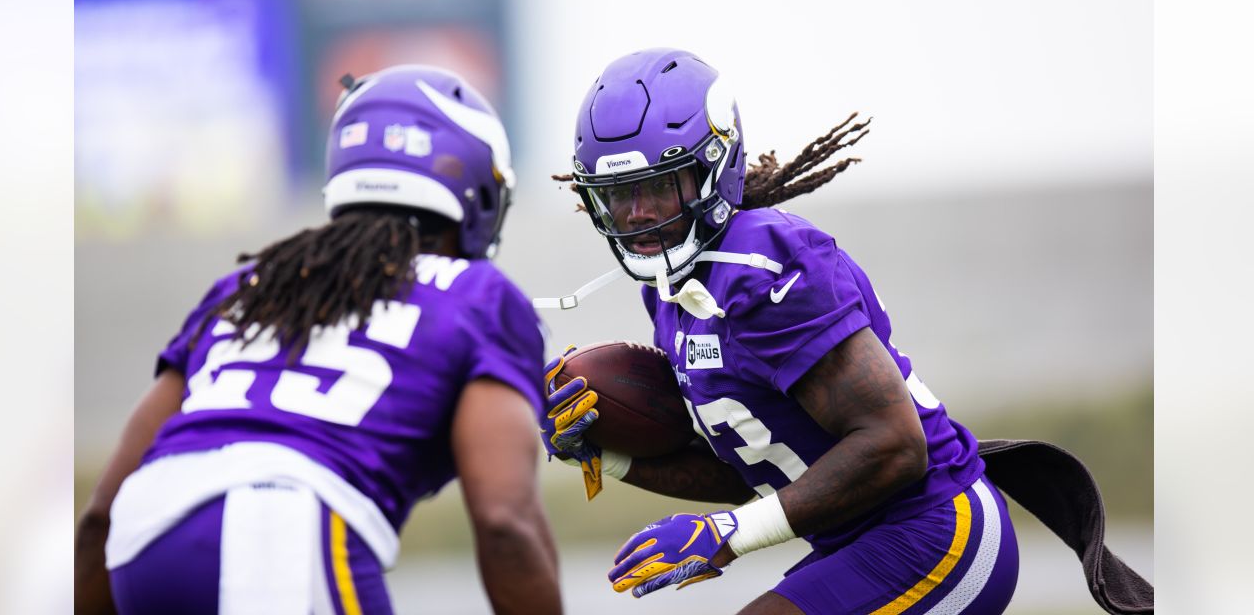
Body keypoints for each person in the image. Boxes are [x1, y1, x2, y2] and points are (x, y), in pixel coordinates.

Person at [540, 48, 1020, 614]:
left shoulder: (768, 265)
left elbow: (895, 445)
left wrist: (729, 535)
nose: (640, 213)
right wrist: (609, 455)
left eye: (663, 185)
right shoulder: (671, 293)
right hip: (859, 538)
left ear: (713, 169)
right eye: (620, 194)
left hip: (936, 530)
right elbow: (757, 470)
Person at [75, 65, 563, 615]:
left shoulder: (249, 283)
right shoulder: (478, 294)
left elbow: (99, 519)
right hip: (282, 527)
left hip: (146, 534)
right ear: (477, 192)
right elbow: (503, 520)